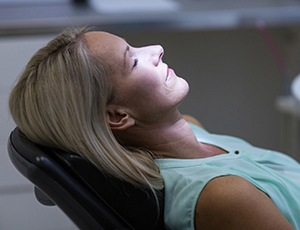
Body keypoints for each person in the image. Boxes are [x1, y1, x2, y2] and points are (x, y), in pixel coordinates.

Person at [9, 27, 300, 230]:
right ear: (118, 116)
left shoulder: (192, 129)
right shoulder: (225, 196)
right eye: (133, 62)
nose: (157, 49)